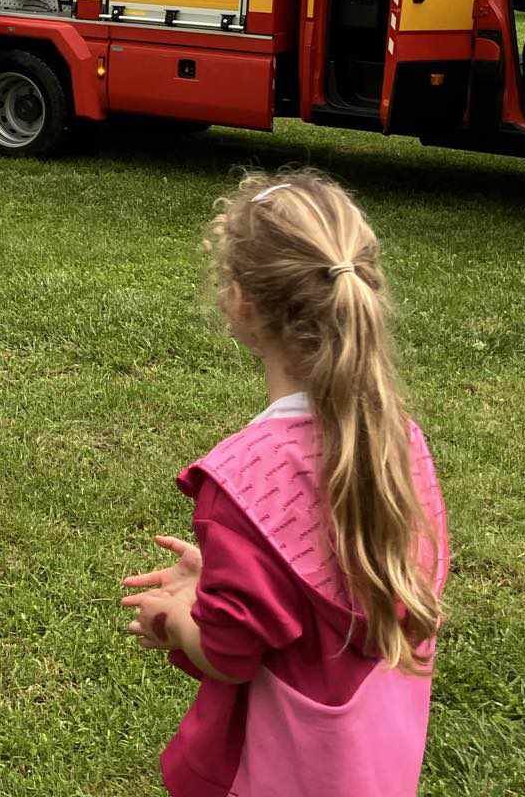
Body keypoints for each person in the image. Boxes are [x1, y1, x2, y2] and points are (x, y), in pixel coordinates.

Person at [120, 171, 449, 797]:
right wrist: (224, 577)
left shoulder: (242, 482)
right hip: (378, 766)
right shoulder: (397, 441)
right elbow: (353, 581)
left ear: (240, 303)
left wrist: (181, 617)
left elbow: (228, 652)